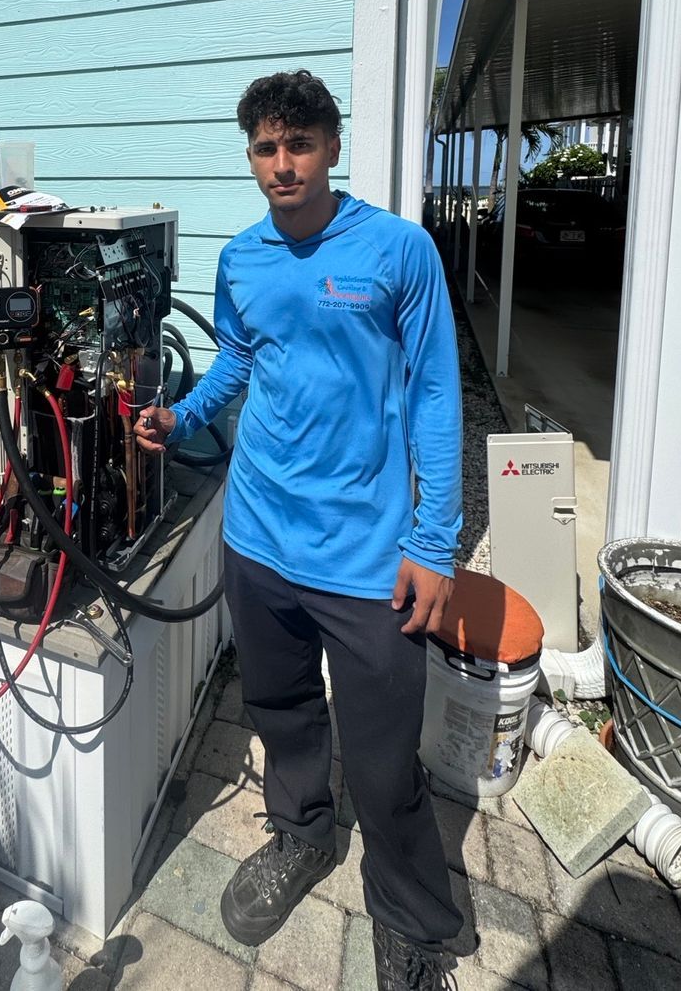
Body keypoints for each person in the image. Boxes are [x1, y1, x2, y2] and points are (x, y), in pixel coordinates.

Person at [136, 70, 464, 991]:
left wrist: (434, 544)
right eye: (265, 148)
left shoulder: (399, 252)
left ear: (331, 146)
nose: (283, 164)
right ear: (250, 157)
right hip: (258, 539)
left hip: (367, 556)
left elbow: (437, 395)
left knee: (384, 758)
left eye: (299, 144)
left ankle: (412, 921)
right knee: (280, 714)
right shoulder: (241, 258)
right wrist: (183, 417)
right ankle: (300, 838)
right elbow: (238, 359)